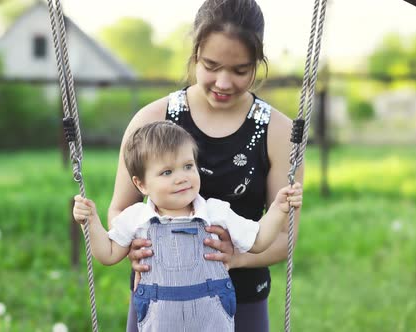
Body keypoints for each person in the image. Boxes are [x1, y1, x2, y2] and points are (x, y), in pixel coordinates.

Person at [107, 0, 305, 331]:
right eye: (211, 66)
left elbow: (285, 235)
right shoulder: (152, 119)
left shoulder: (279, 132)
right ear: (195, 53)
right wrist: (132, 245)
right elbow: (119, 210)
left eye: (240, 70)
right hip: (160, 301)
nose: (224, 83)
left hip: (241, 300)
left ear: (258, 62)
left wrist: (237, 257)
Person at [73, 121, 302, 332]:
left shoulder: (215, 211)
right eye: (167, 172)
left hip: (212, 323)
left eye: (188, 166)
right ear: (141, 184)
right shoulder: (136, 217)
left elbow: (259, 240)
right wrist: (90, 223)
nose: (182, 177)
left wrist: (278, 210)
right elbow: (108, 254)